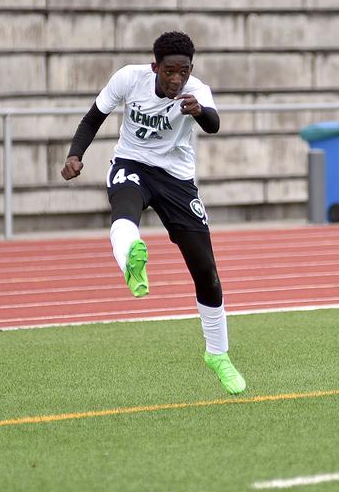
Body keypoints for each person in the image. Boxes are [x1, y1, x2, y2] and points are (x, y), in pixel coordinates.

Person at [60, 31, 246, 395]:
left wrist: (200, 112)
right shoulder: (130, 78)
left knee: (205, 270)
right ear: (155, 66)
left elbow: (213, 123)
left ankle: (217, 354)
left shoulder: (197, 91)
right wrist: (74, 154)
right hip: (132, 162)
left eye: (184, 71)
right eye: (170, 71)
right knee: (124, 210)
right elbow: (92, 118)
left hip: (176, 179)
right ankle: (132, 258)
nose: (177, 79)